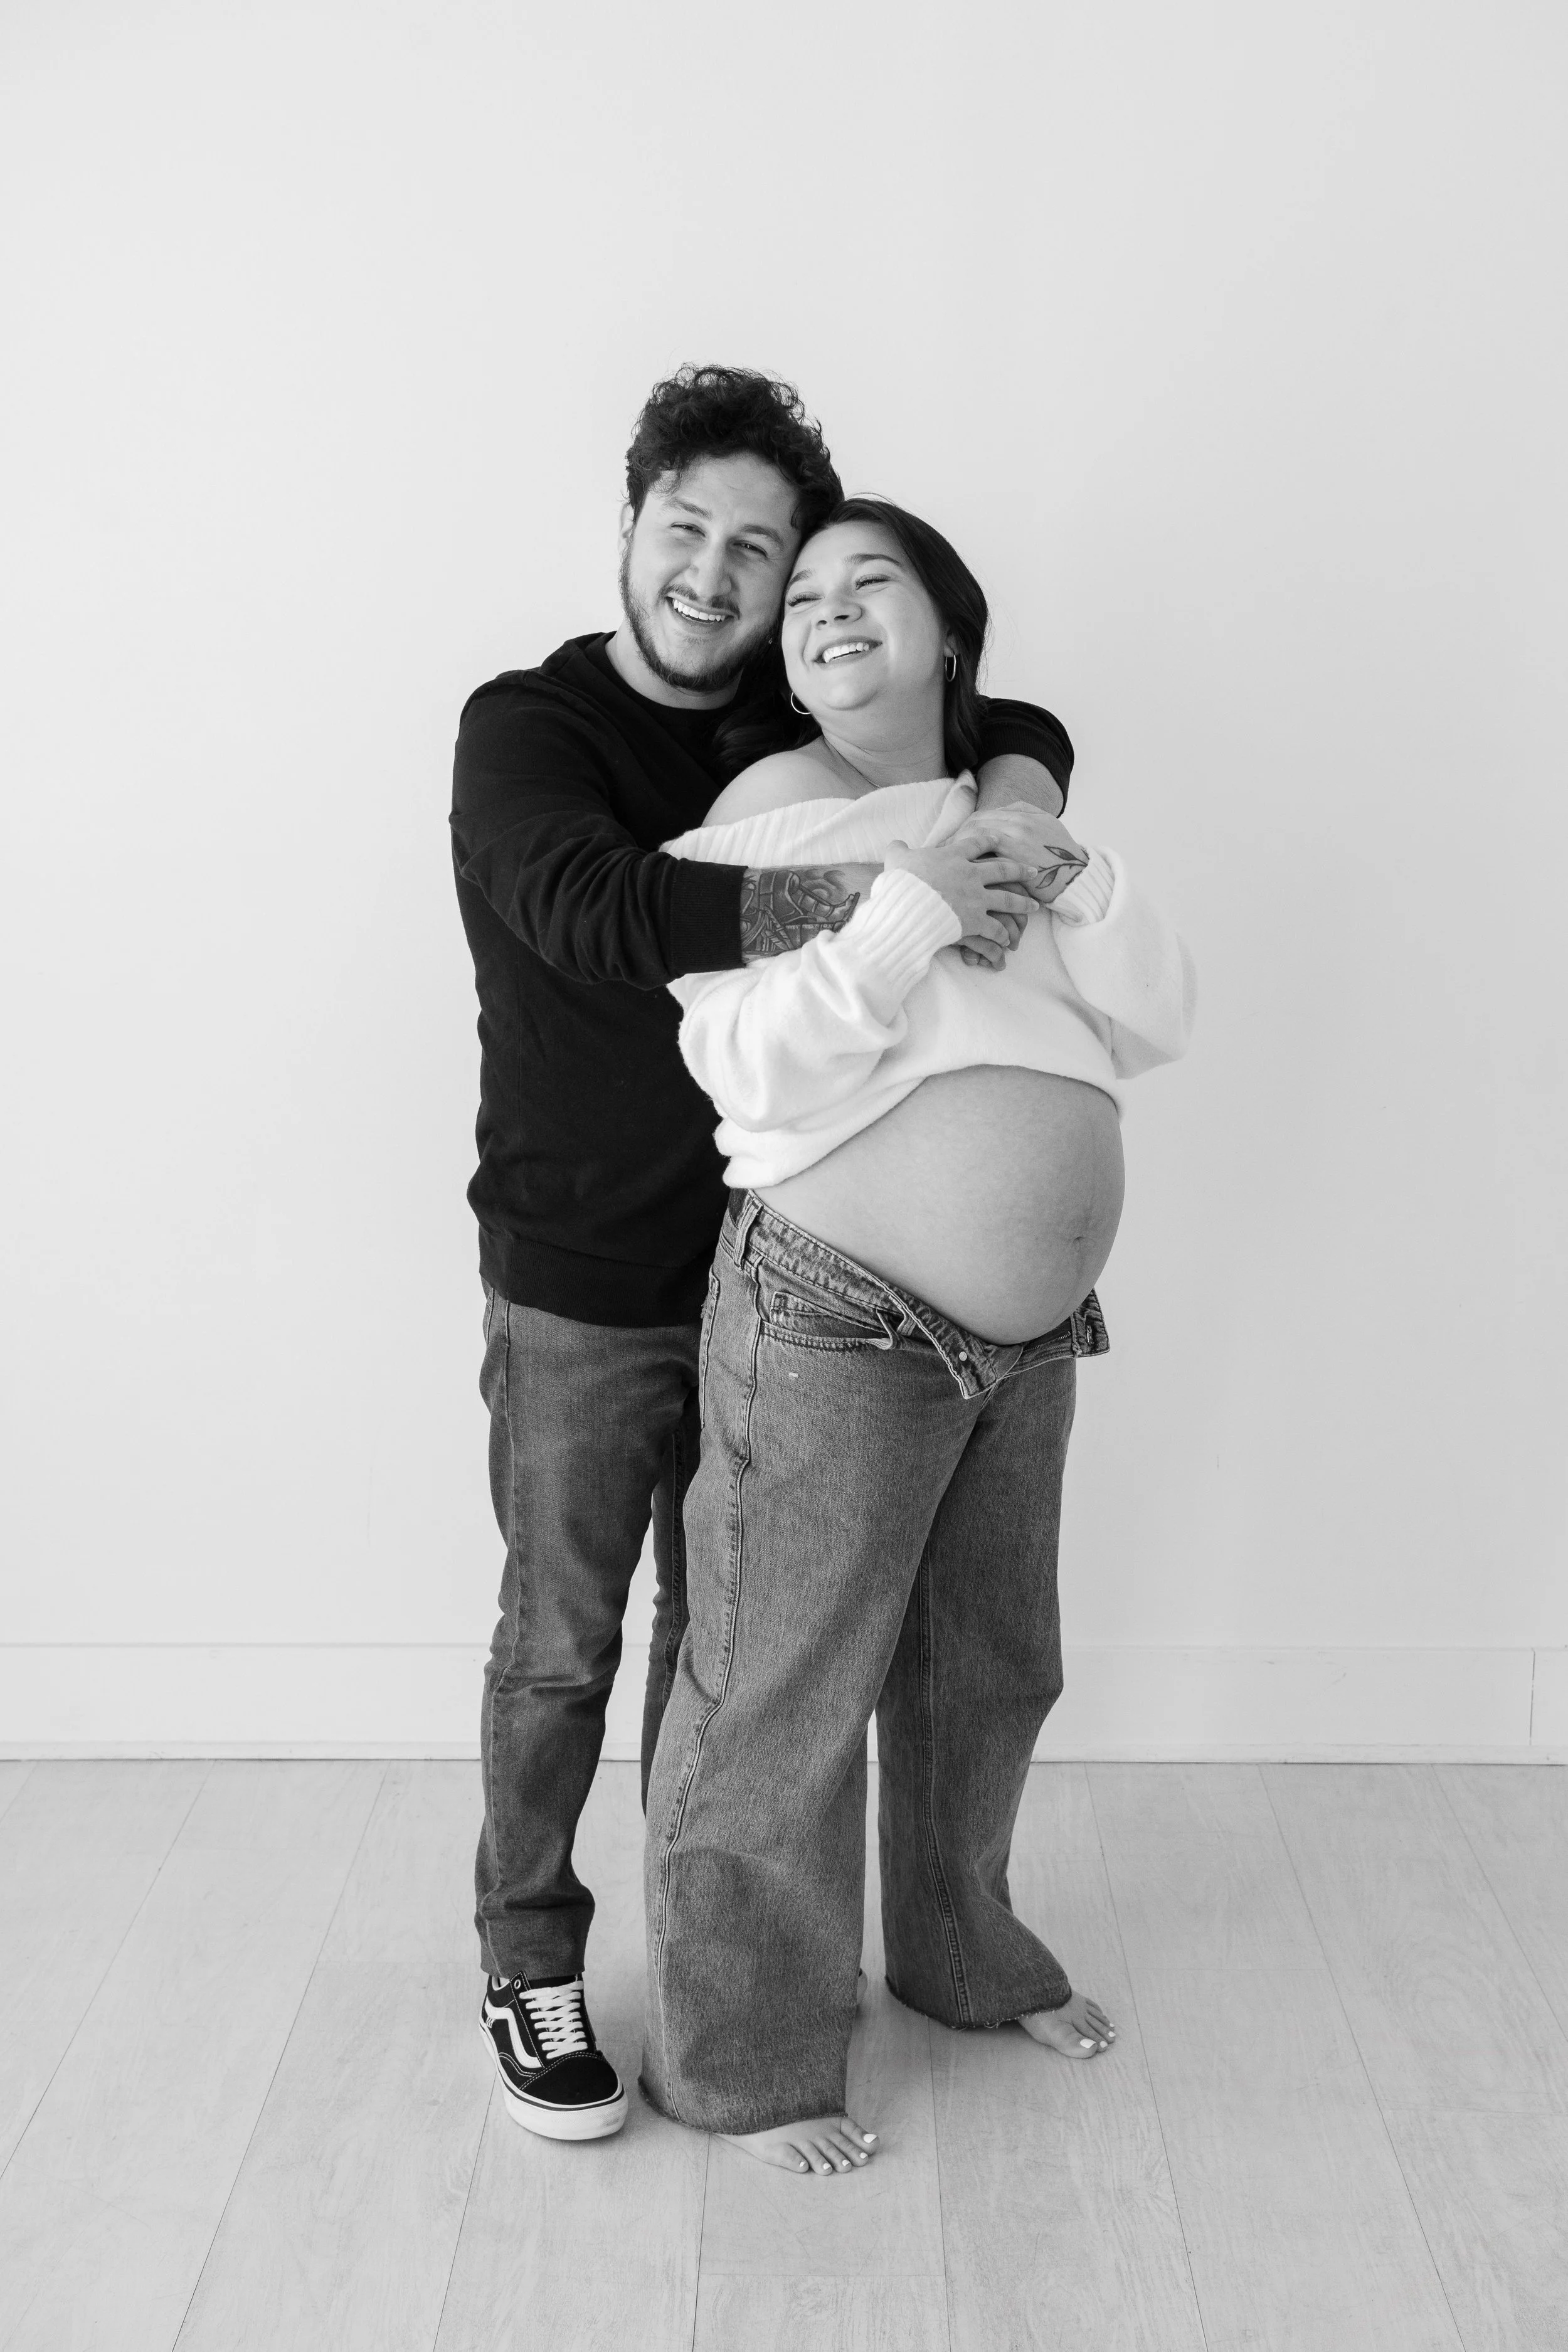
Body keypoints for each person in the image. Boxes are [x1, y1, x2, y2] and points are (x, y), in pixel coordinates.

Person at [449, 372, 1074, 2142]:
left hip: (770, 1273)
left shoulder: (782, 722)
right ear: (628, 525)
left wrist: (1001, 786)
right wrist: (906, 877)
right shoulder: (529, 724)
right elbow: (603, 909)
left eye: (760, 549)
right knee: (561, 1638)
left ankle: (708, 1982)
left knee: (731, 1660)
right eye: (686, 530)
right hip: (576, 1277)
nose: (717, 577)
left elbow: (1008, 708)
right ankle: (526, 1953)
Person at [640, 498, 1195, 2175]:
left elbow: (1157, 1015)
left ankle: (959, 1958)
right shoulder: (765, 810)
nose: (820, 607)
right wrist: (906, 906)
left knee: (985, 1670)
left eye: (863, 579)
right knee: (780, 1691)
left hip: (1029, 1335)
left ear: (949, 629)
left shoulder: (1008, 806)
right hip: (838, 1312)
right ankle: (741, 2063)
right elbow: (747, 1068)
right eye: (798, 593)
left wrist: (1067, 865)